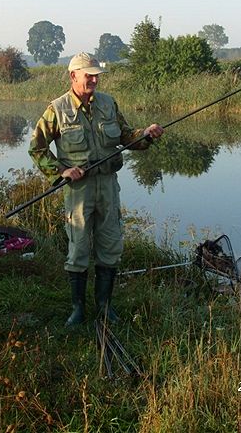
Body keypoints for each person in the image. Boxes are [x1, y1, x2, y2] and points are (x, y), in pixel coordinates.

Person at [29, 52, 164, 325]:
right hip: (79, 189)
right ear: (73, 76)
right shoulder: (57, 109)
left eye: (96, 75)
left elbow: (127, 137)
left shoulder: (108, 103)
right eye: (88, 75)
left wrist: (146, 134)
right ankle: (78, 310)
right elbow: (37, 148)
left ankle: (104, 307)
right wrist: (62, 171)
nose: (93, 79)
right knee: (78, 247)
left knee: (110, 244)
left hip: (108, 185)